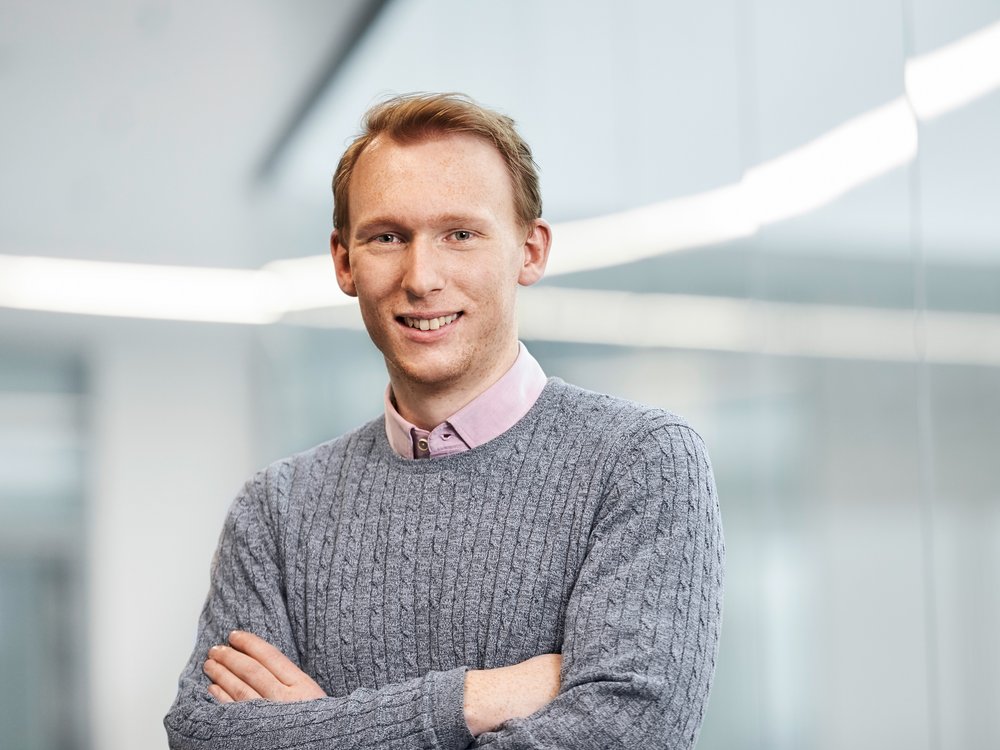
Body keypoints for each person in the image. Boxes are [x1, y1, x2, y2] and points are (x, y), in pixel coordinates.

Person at [164, 92, 724, 749]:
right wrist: (476, 698)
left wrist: (319, 728)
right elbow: (204, 737)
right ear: (344, 261)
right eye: (387, 237)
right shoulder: (277, 510)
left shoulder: (641, 462)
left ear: (530, 251)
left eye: (460, 234)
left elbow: (627, 731)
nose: (422, 277)